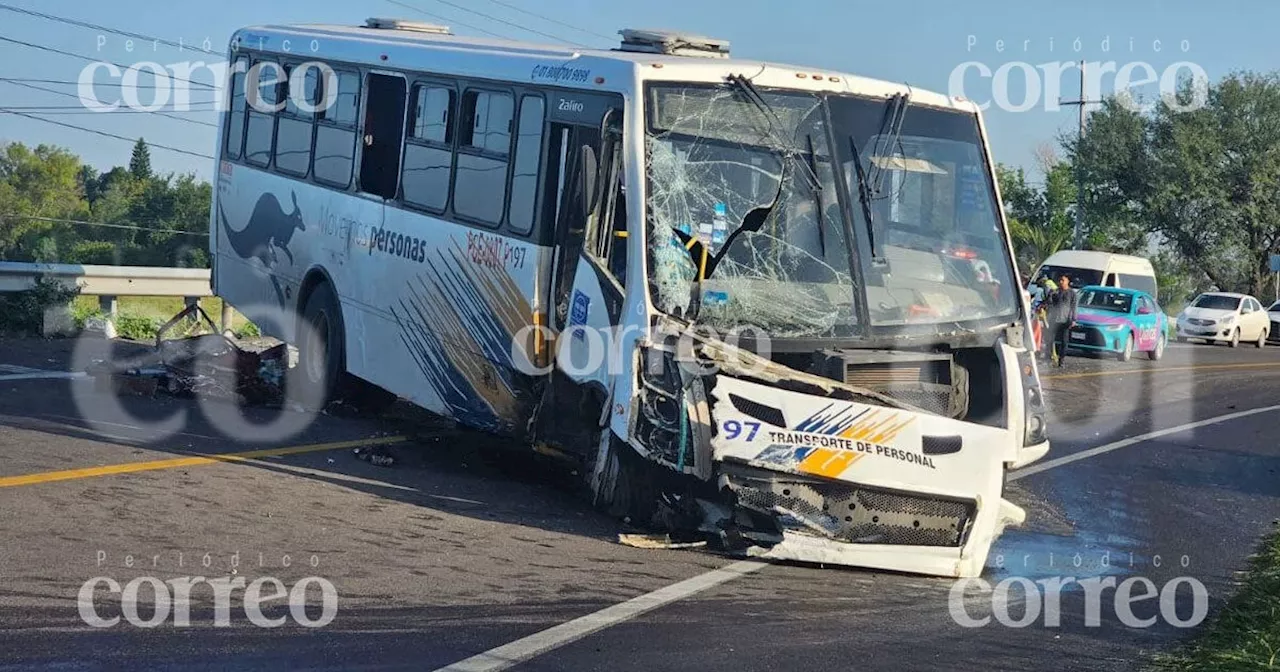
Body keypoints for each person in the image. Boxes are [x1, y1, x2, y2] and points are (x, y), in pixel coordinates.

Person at [1045, 274, 1078, 367]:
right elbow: (1049, 303)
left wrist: (1073, 319)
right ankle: (1050, 357)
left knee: (1064, 341)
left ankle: (1061, 360)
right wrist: (1050, 295)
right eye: (1060, 280)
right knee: (1050, 340)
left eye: (1063, 280)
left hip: (1065, 320)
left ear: (1068, 281)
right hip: (1054, 319)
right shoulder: (1056, 292)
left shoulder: (1072, 293)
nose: (1061, 282)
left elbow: (1074, 306)